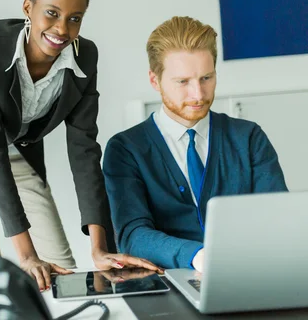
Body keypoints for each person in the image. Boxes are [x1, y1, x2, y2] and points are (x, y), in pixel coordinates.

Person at [0, 0, 160, 291]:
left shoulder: (86, 57)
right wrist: (25, 254)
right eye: (52, 14)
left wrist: (100, 248)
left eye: (75, 18)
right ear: (28, 8)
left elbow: (84, 150)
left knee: (61, 270)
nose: (62, 29)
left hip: (20, 152)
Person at [103, 16, 288, 272]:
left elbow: (278, 218)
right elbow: (133, 235)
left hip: (249, 272)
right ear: (155, 80)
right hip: (168, 281)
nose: (198, 94)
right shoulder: (126, 149)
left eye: (206, 78)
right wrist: (198, 256)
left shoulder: (248, 137)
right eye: (183, 82)